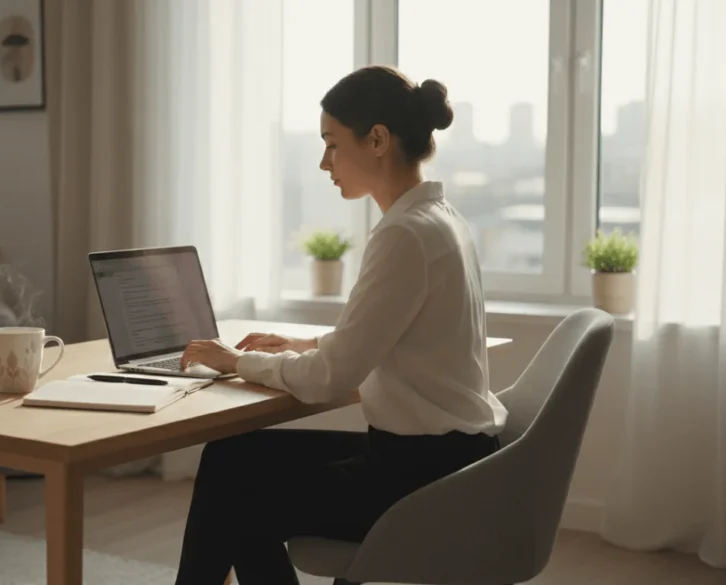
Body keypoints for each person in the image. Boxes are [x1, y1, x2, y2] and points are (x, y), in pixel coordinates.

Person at [174, 65, 509, 585]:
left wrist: (238, 361)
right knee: (231, 457)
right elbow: (391, 336)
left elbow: (331, 377)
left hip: (420, 474)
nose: (324, 161)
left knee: (236, 494)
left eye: (331, 143)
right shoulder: (440, 218)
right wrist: (303, 343)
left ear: (377, 140)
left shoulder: (405, 235)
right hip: (447, 455)